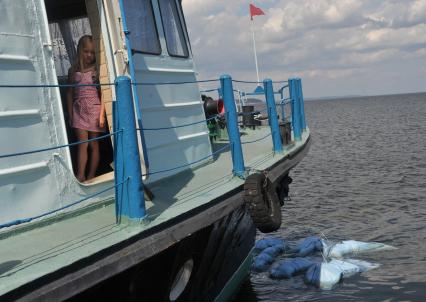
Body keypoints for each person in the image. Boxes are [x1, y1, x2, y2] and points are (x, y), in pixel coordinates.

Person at [67, 35, 105, 182]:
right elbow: (70, 93)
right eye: (86, 51)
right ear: (79, 51)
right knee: (82, 144)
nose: (89, 55)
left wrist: (102, 115)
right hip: (79, 110)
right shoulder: (72, 70)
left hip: (94, 110)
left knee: (94, 144)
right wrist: (70, 113)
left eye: (92, 52)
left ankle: (91, 175)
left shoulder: (96, 71)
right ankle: (81, 174)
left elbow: (103, 95)